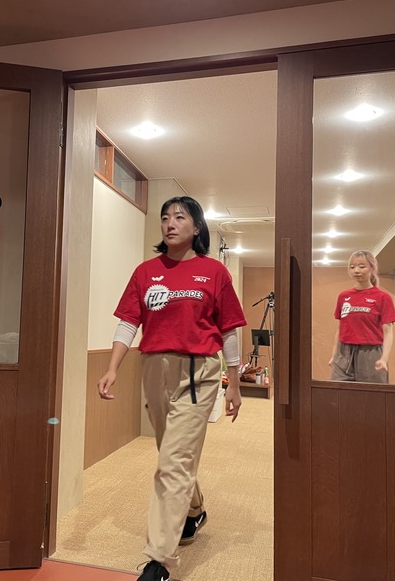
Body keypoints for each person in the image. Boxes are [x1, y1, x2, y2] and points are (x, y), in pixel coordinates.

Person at [97, 196, 246, 581]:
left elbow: (229, 329)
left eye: (180, 217)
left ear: (196, 228)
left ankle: (159, 560)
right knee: (172, 453)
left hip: (198, 372)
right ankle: (194, 509)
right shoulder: (146, 272)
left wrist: (234, 382)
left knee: (173, 460)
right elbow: (128, 322)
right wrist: (112, 367)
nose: (170, 223)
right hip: (153, 368)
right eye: (165, 218)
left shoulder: (214, 272)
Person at [328, 250, 395, 383]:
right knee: (339, 391)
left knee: (370, 392)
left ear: (372, 268)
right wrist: (334, 355)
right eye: (352, 267)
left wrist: (384, 358)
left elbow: (388, 332)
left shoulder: (382, 297)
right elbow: (340, 328)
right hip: (344, 351)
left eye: (361, 266)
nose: (356, 271)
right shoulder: (344, 296)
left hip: (371, 351)